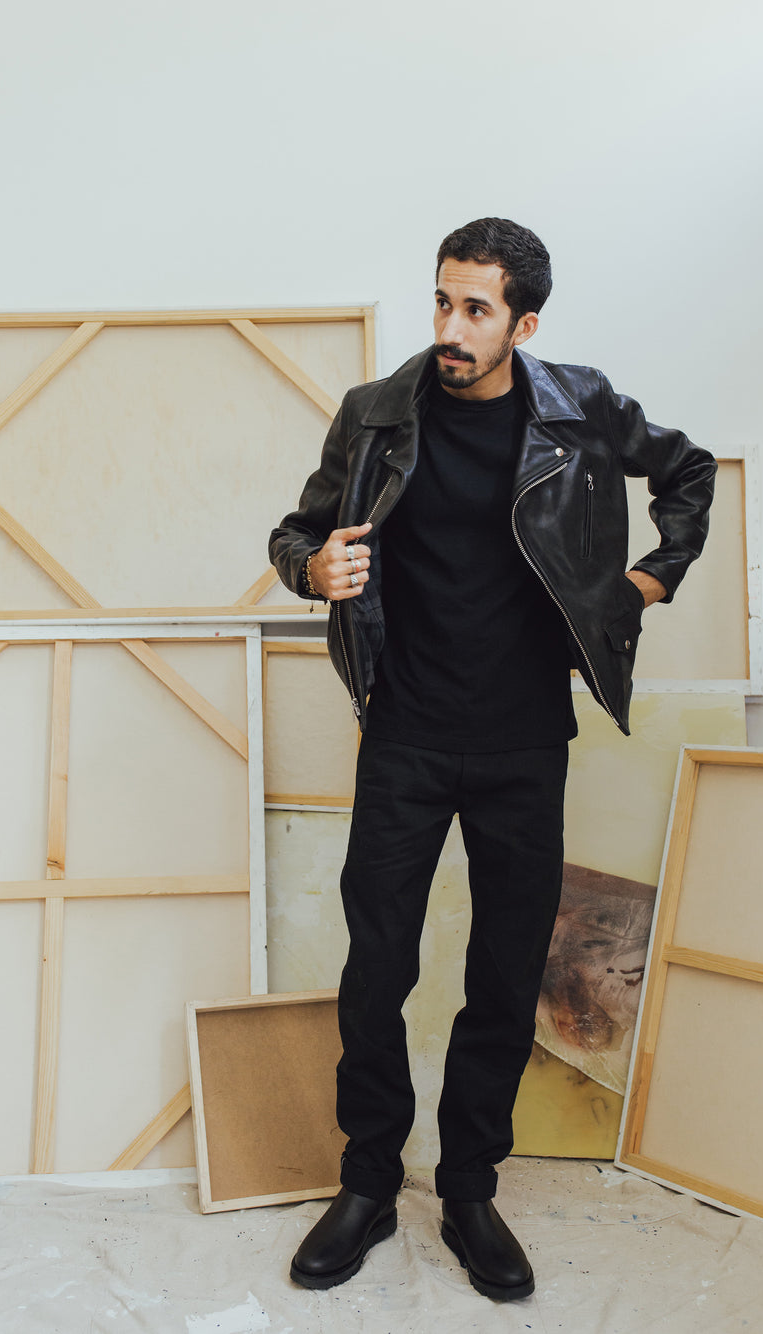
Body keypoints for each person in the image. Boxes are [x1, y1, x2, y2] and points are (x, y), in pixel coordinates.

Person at [268, 217, 715, 1303]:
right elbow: (294, 534)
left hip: (525, 741)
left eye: (476, 308)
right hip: (405, 733)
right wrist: (310, 568)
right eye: (442, 303)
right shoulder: (376, 415)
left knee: (504, 974)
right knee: (379, 969)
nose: (452, 329)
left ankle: (470, 1188)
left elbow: (688, 473)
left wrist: (640, 587)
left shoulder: (580, 407)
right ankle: (369, 1183)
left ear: (524, 319)